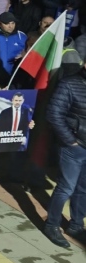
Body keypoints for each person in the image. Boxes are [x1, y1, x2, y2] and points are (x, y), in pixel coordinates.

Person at [43, 49, 86, 248]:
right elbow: (53, 114)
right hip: (73, 147)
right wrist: (71, 141)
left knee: (83, 189)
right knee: (66, 187)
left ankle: (77, 225)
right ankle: (51, 224)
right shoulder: (69, 83)